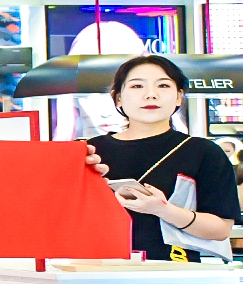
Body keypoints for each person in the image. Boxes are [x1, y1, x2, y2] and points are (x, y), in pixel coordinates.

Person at [90, 55, 237, 262]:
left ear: (179, 97)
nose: (151, 95)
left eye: (163, 86)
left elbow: (221, 229)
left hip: (173, 271)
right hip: (97, 268)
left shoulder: (203, 152)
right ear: (118, 98)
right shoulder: (92, 151)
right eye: (137, 86)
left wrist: (163, 210)